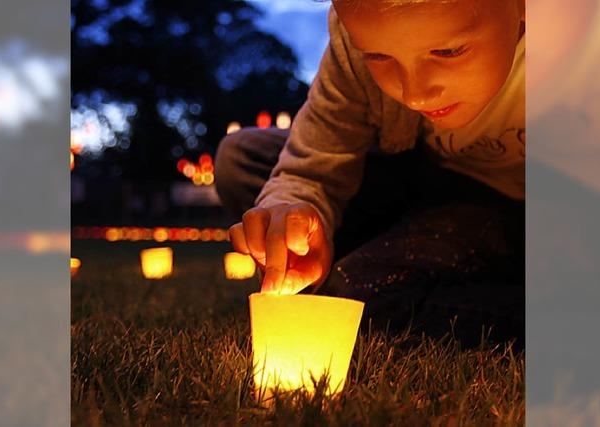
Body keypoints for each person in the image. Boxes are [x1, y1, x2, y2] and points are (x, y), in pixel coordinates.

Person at [216, 0, 526, 345]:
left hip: (520, 212)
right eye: (378, 56)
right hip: (423, 186)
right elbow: (315, 157)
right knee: (241, 158)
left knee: (360, 291)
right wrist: (294, 210)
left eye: (448, 51)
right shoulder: (355, 43)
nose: (415, 94)